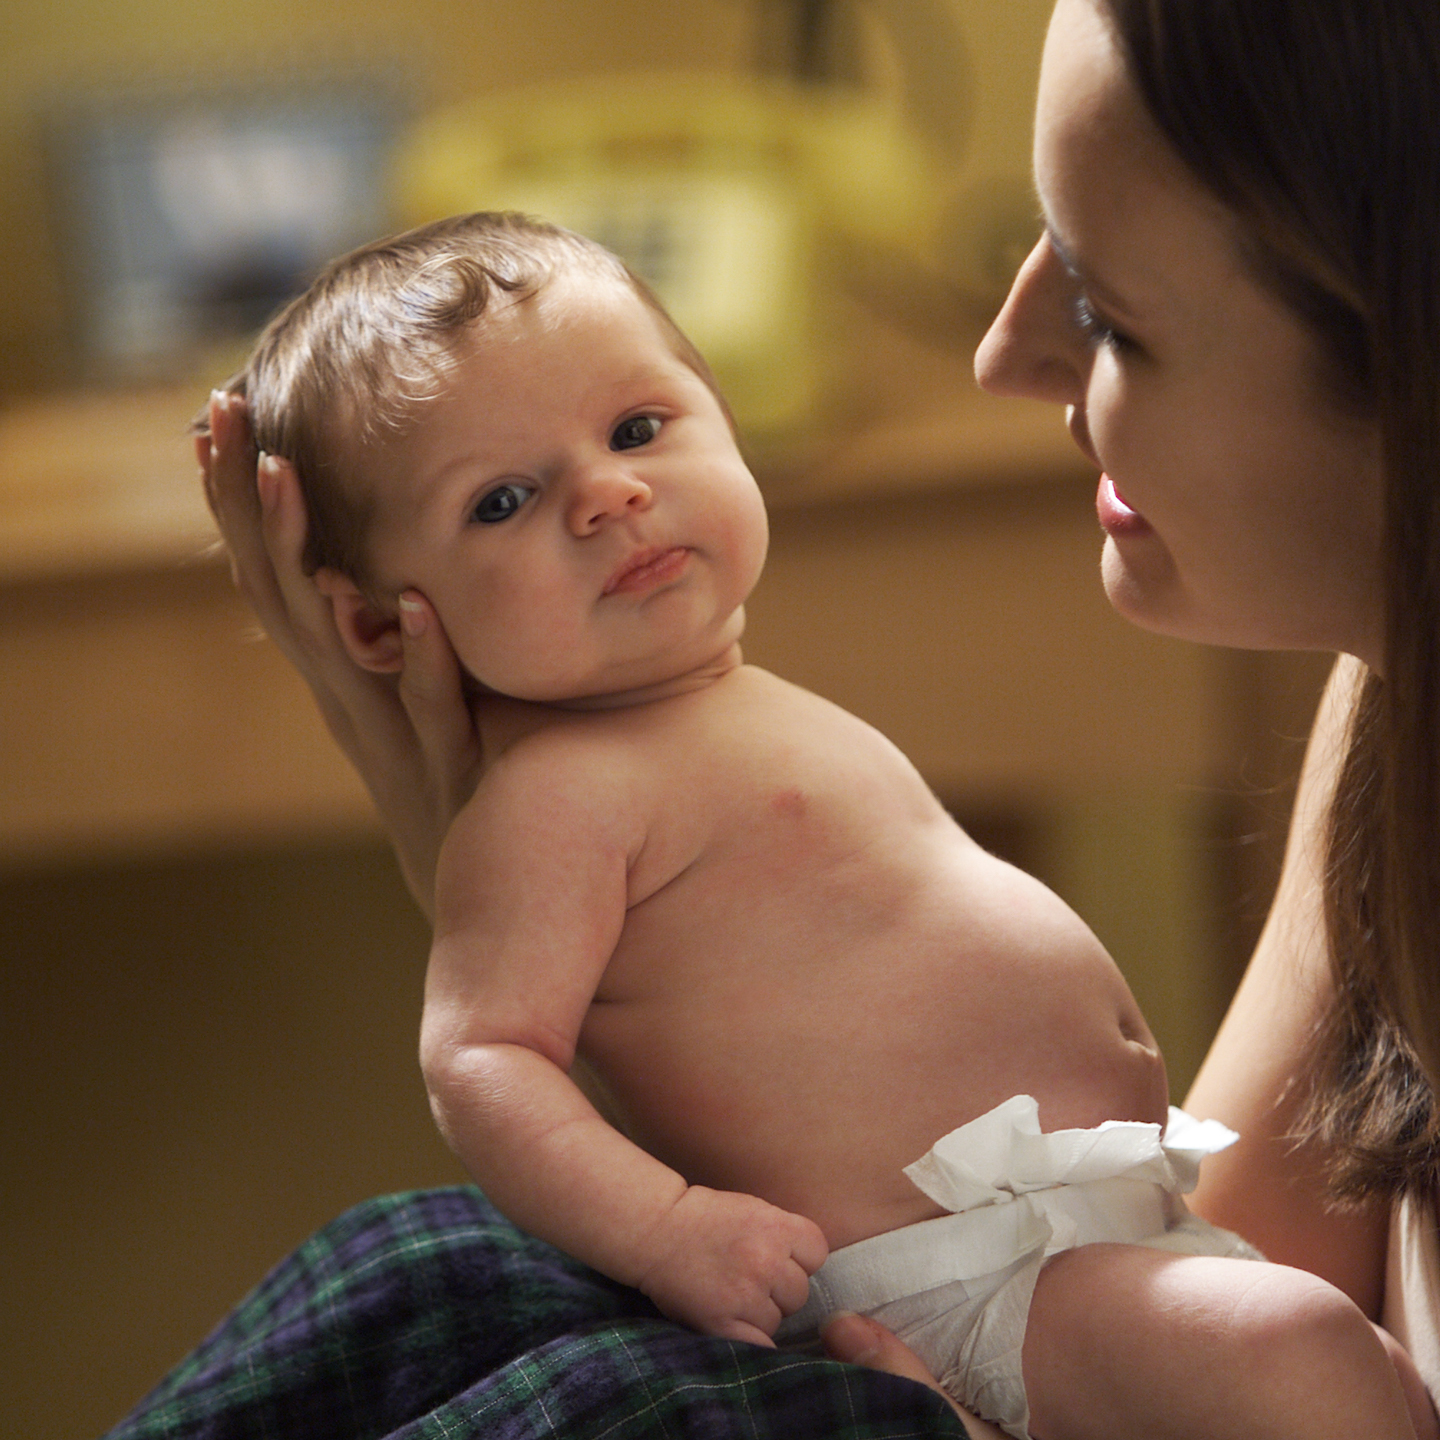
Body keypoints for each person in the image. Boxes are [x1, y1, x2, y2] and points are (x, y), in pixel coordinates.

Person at [165, 0, 1440, 1434]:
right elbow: (481, 1053)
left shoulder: (721, 714)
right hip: (968, 1272)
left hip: (1062, 1236)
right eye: (503, 501)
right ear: (378, 618)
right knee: (1283, 1349)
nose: (609, 496)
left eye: (641, 428)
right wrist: (668, 1224)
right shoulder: (559, 794)